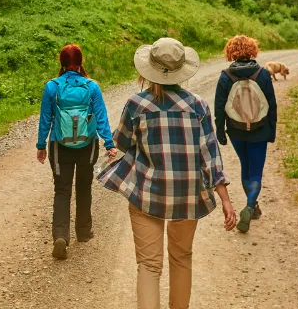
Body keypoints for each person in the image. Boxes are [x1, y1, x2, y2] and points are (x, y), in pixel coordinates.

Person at [99, 37, 238, 309]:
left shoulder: (137, 104)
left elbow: (121, 143)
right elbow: (210, 155)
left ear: (149, 69)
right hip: (188, 195)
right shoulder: (198, 106)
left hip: (147, 194)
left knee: (149, 266)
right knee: (182, 258)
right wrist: (225, 199)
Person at [36, 44, 115, 260]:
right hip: (87, 144)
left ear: (61, 63)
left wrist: (41, 145)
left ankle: (61, 235)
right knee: (84, 187)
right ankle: (83, 232)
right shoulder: (92, 87)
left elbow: (45, 119)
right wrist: (109, 143)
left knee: (62, 190)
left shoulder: (52, 87)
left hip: (59, 144)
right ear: (81, 62)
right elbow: (101, 117)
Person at [213, 35, 277, 234]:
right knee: (256, 171)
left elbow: (219, 108)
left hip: (236, 129)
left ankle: (252, 206)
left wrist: (220, 131)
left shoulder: (226, 76)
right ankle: (250, 206)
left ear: (230, 52)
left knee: (245, 166)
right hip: (260, 129)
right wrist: (271, 131)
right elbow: (272, 105)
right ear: (253, 50)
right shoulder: (263, 74)